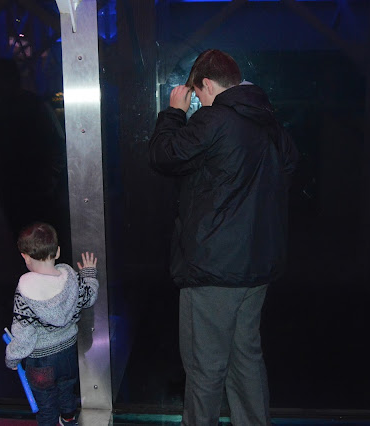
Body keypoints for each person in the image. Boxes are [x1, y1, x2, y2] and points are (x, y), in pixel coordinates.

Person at [148, 49, 299, 425]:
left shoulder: (216, 120)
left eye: (199, 94)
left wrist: (174, 113)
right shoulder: (270, 123)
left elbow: (164, 155)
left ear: (209, 84)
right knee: (246, 358)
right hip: (257, 265)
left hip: (214, 267)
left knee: (205, 367)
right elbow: (291, 164)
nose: (199, 100)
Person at [5, 222, 98, 426]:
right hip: (68, 353)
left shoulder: (25, 291)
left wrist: (12, 358)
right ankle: (69, 418)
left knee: (46, 403)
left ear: (25, 256)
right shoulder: (72, 278)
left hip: (40, 360)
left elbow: (24, 334)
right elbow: (89, 297)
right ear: (57, 252)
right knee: (66, 388)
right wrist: (89, 274)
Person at [0, 58, 71, 258]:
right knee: (40, 242)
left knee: (33, 241)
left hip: (32, 188)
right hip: (28, 187)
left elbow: (57, 144)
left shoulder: (8, 109)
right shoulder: (19, 107)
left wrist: (49, 182)